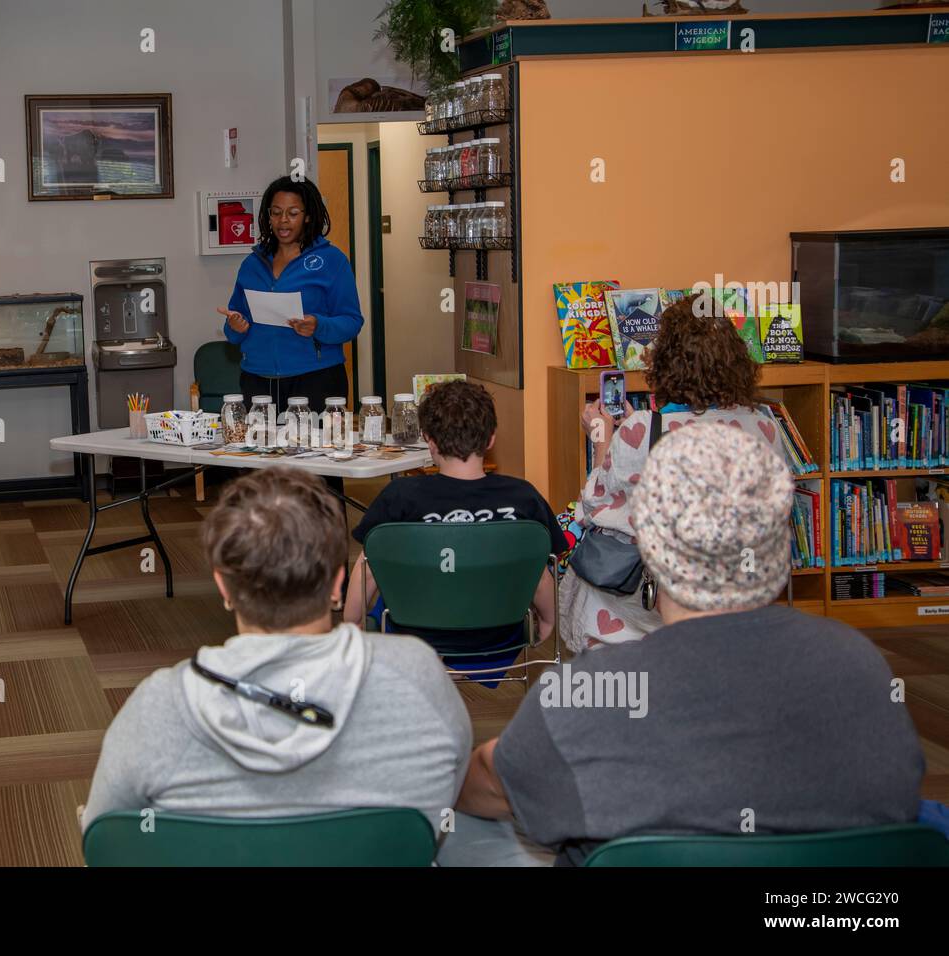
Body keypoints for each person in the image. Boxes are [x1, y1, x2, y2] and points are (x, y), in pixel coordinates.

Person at [446, 423, 925, 866]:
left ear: (650, 547)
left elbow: (489, 785)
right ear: (781, 545)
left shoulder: (594, 689)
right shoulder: (862, 665)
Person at [80, 467, 471, 839]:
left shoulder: (157, 707)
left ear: (224, 587)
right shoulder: (417, 674)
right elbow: (450, 796)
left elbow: (105, 838)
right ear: (338, 581)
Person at [562, 293, 789, 652]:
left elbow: (594, 505)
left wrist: (602, 439)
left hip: (645, 603)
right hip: (729, 592)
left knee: (585, 558)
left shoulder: (643, 429)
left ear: (664, 359)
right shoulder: (763, 428)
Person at [344, 380, 561, 652]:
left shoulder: (399, 496)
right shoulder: (523, 497)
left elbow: (367, 570)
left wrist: (351, 623)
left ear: (429, 440)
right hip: (500, 634)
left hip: (414, 635)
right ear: (491, 437)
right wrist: (549, 621)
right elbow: (539, 575)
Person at [218, 176, 362, 409]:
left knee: (316, 446)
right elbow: (234, 328)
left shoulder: (332, 261)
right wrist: (235, 327)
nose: (283, 221)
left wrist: (318, 326)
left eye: (293, 213)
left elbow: (352, 321)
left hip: (316, 377)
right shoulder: (251, 264)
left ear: (308, 216)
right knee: (259, 446)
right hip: (258, 380)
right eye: (276, 213)